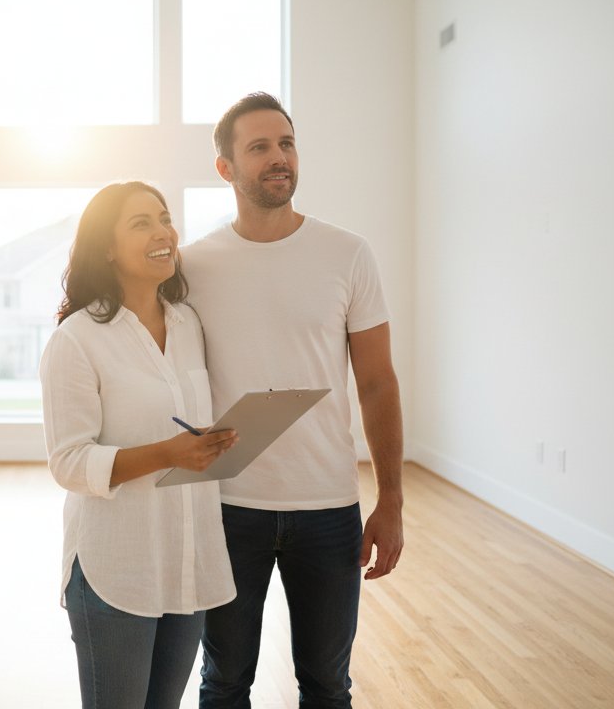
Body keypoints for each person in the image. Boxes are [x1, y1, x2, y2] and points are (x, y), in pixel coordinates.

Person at [183, 92, 405, 709]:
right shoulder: (194, 266)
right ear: (226, 168)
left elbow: (378, 382)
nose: (278, 158)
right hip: (229, 507)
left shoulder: (348, 253)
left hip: (329, 507)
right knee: (223, 683)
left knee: (329, 687)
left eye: (286, 143)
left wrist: (391, 501)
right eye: (259, 147)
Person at [40, 180, 241, 709]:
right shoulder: (76, 339)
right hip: (115, 568)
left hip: (185, 558)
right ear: (106, 248)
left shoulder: (189, 323)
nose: (163, 233)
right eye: (140, 223)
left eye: (164, 217)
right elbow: (68, 462)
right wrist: (168, 453)